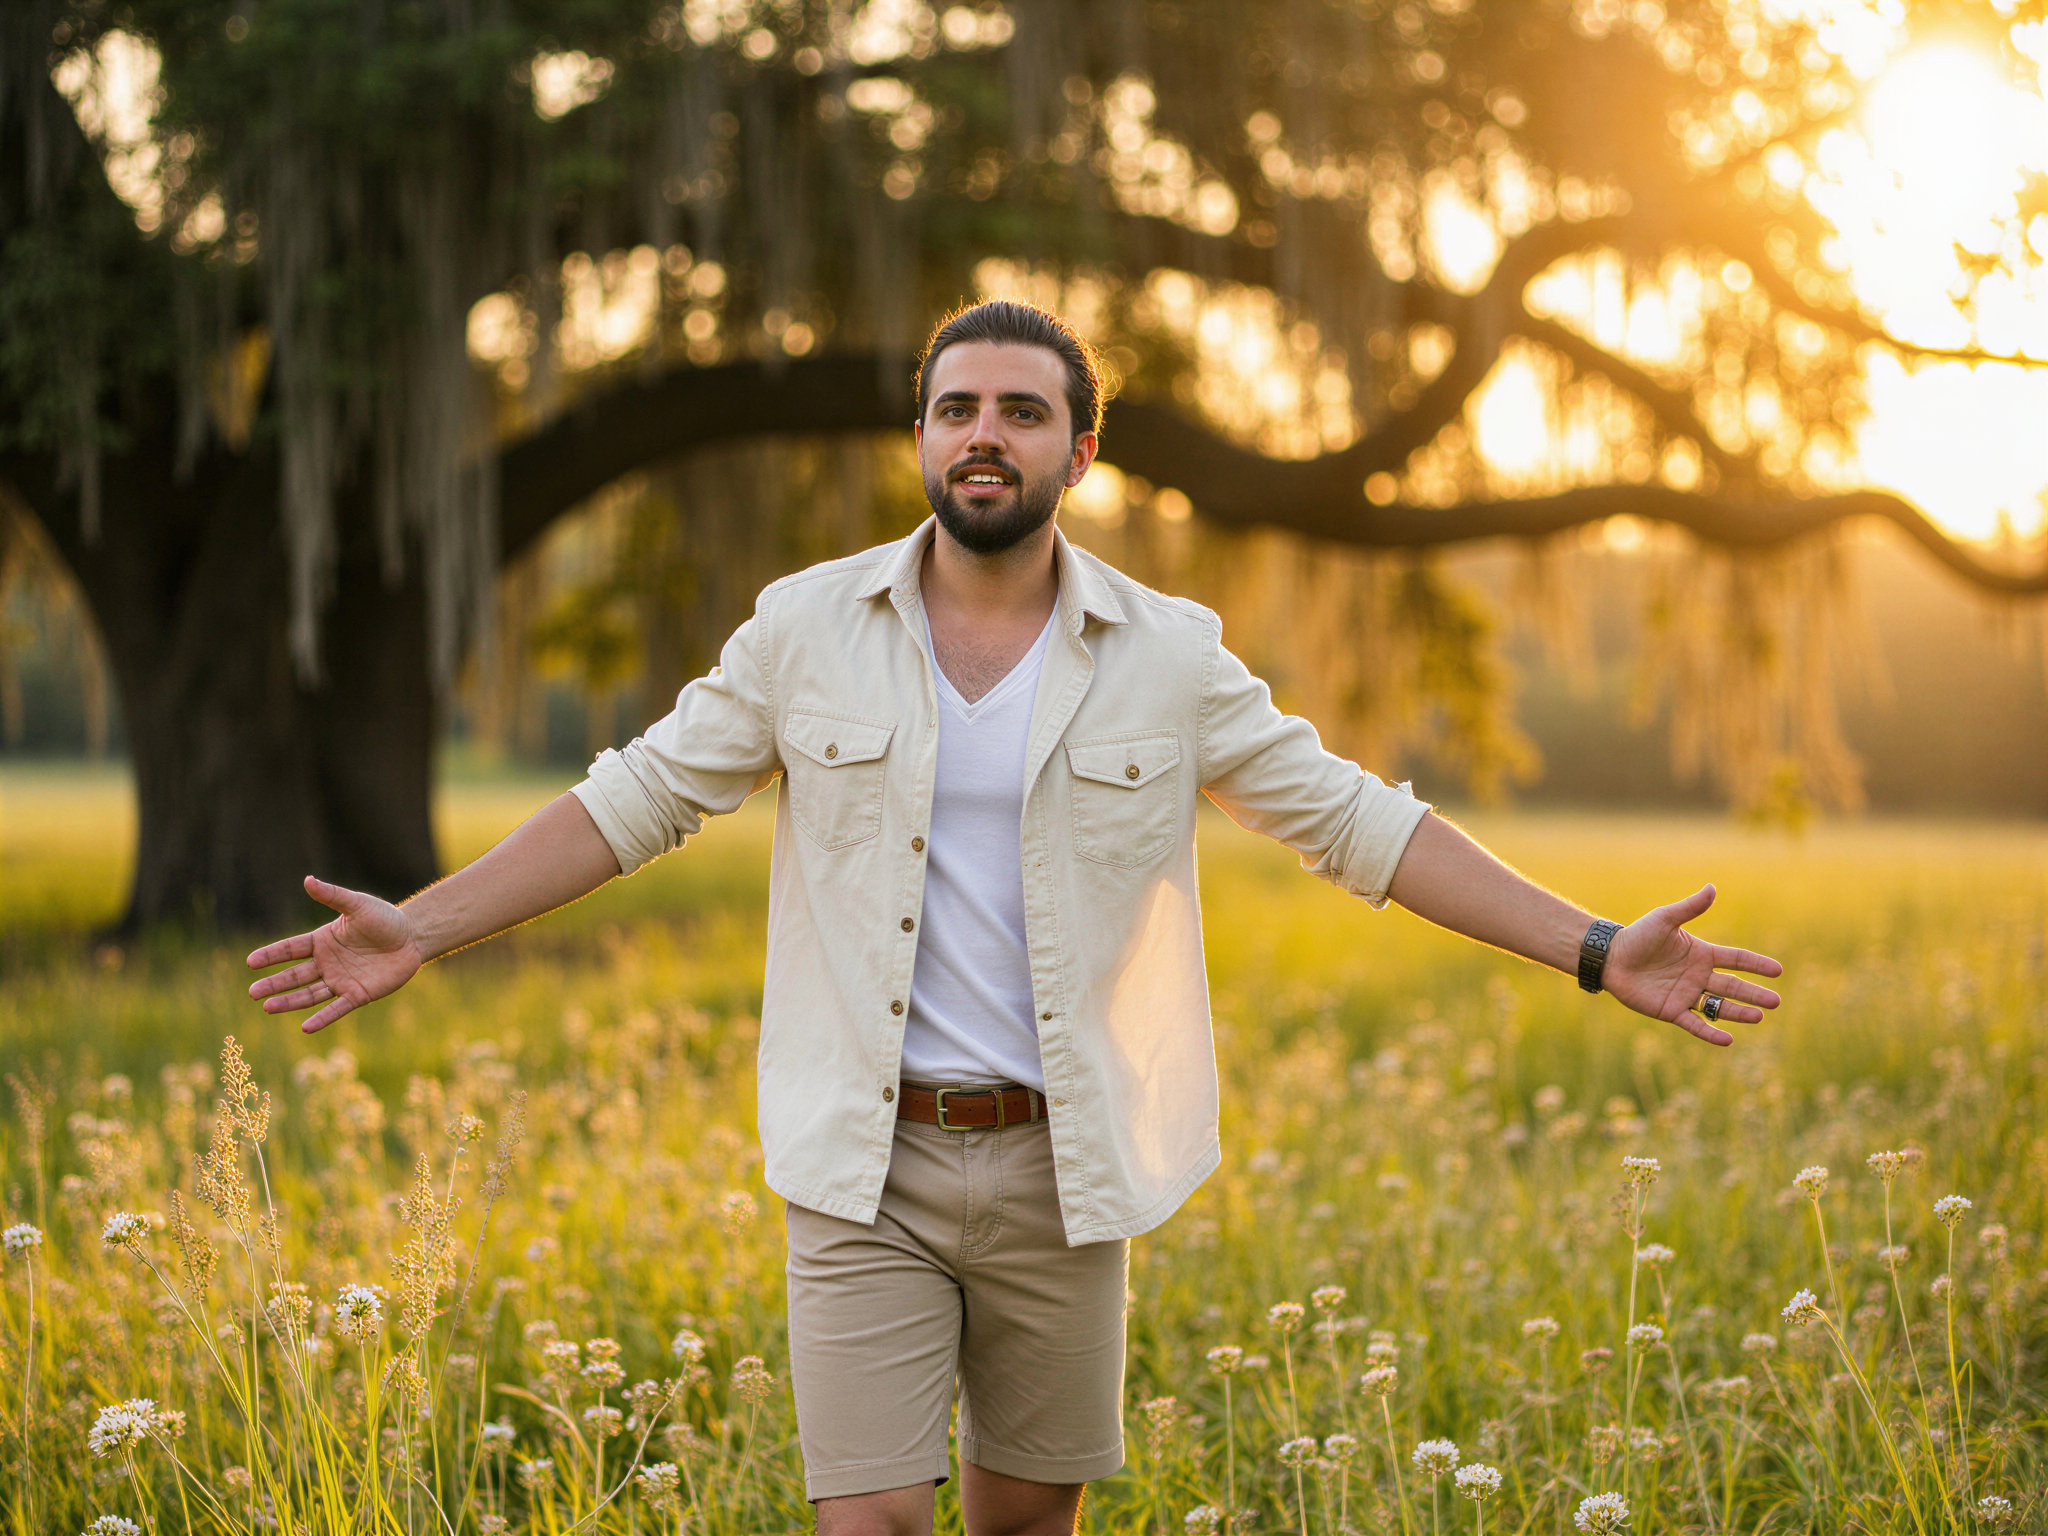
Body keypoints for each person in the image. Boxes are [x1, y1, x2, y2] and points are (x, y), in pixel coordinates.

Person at [247, 298, 1783, 1536]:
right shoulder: (805, 630)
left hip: (1067, 1161)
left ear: (1082, 448)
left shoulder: (1169, 657)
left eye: (1023, 410)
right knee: (870, 1523)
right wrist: (427, 928)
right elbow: (635, 800)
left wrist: (1592, 948)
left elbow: (1359, 825)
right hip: (867, 1167)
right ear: (919, 434)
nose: (987, 435)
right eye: (958, 408)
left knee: (1025, 1520)